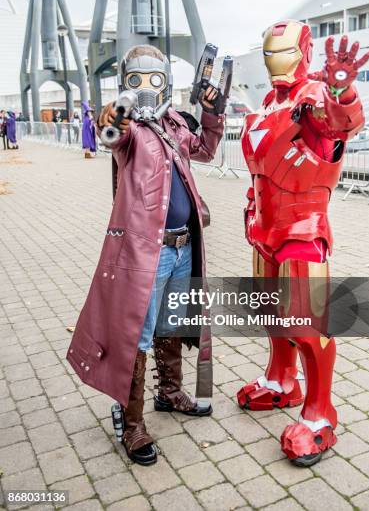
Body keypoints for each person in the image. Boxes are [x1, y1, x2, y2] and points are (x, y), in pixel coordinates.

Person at [67, 44, 225, 466]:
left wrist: (212, 112)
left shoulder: (173, 123)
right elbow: (108, 136)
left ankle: (169, 392)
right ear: (125, 82)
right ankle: (132, 421)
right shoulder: (131, 131)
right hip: (146, 250)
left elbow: (205, 150)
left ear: (167, 81)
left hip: (183, 244)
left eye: (154, 79)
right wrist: (121, 106)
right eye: (136, 79)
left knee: (171, 325)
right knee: (137, 332)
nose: (146, 87)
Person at [239, 20, 369, 467]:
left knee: (307, 321)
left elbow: (341, 123)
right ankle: (281, 379)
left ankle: (319, 413)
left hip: (302, 227)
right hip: (265, 228)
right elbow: (260, 168)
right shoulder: (270, 102)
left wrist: (341, 90)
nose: (277, 63)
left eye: (285, 53)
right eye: (270, 54)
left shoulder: (312, 96)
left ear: (303, 51)